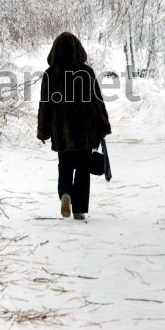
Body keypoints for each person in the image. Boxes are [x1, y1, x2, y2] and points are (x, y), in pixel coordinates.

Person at [37, 32, 111, 220]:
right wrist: (103, 126)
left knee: (65, 165)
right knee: (83, 168)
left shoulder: (49, 75)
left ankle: (65, 194)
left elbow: (44, 105)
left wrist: (43, 131)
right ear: (78, 50)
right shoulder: (86, 73)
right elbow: (97, 102)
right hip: (85, 130)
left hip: (62, 132)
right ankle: (79, 210)